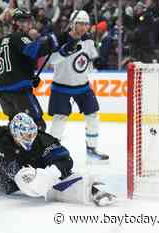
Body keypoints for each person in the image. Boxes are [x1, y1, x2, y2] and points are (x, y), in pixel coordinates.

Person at [0, 113, 116, 206]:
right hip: (12, 174)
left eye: (32, 134)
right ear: (14, 134)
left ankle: (95, 192)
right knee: (0, 185)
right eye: (25, 136)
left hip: (40, 171)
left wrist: (51, 173)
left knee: (62, 176)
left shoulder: (44, 141)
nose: (30, 138)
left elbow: (65, 160)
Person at [47, 10, 109, 163]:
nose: (83, 27)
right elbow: (52, 61)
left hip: (82, 86)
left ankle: (91, 149)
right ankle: (53, 152)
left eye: (86, 24)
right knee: (60, 119)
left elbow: (92, 56)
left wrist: (99, 61)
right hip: (61, 86)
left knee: (93, 115)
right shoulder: (61, 38)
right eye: (80, 23)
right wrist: (64, 50)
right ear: (73, 24)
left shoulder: (88, 40)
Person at [0, 8, 60, 131]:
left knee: (17, 127)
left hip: (2, 91)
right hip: (17, 90)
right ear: (16, 23)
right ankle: (38, 151)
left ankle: (13, 150)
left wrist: (29, 79)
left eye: (29, 21)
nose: (29, 24)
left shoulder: (7, 39)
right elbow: (34, 51)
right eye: (24, 21)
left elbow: (17, 62)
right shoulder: (19, 36)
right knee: (37, 125)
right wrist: (51, 42)